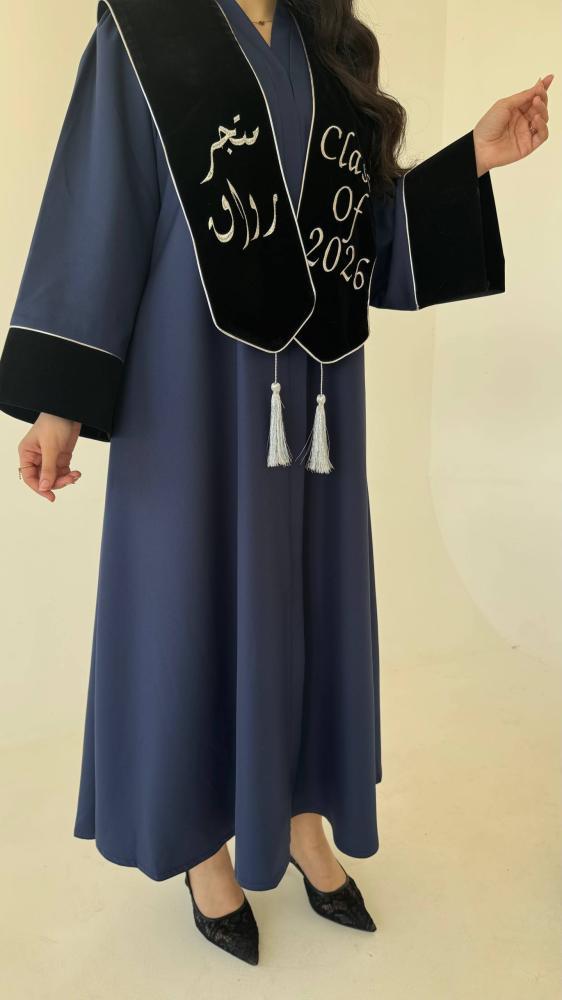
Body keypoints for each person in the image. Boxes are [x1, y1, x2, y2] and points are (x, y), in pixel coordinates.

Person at [0, 0, 552, 968]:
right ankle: (201, 844)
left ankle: (300, 817)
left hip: (314, 397)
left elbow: (359, 241)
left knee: (306, 596)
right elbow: (103, 211)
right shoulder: (147, 31)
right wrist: (60, 404)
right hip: (188, 384)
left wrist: (472, 156)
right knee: (189, 595)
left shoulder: (325, 54)